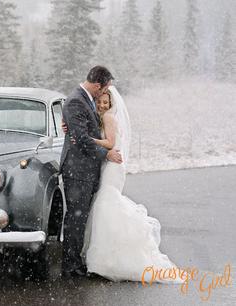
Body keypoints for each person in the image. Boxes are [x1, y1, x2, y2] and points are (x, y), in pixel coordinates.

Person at [78, 88, 182, 282]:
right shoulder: (101, 118)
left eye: (105, 103)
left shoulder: (109, 118)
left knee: (105, 204)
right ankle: (107, 257)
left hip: (112, 165)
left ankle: (105, 260)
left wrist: (84, 139)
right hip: (108, 163)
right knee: (105, 203)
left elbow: (110, 143)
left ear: (111, 104)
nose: (102, 105)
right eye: (99, 102)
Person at [59, 66, 123, 278]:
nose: (104, 93)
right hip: (78, 170)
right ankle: (71, 266)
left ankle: (75, 262)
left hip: (85, 170)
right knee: (75, 218)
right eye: (104, 88)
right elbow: (82, 140)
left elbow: (83, 132)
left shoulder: (85, 100)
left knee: (80, 217)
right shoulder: (76, 100)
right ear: (98, 85)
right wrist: (107, 154)